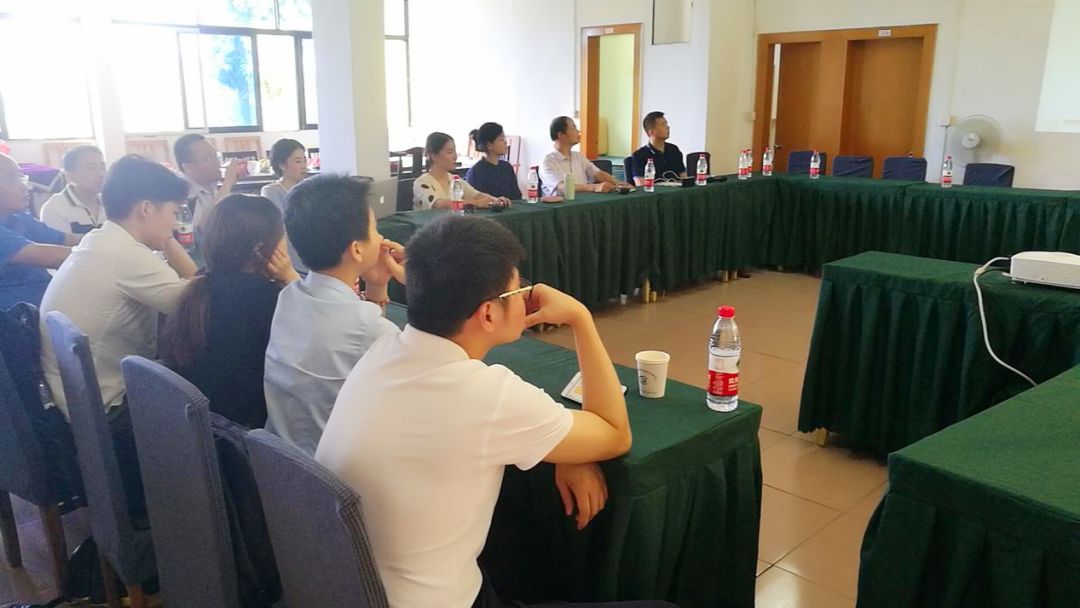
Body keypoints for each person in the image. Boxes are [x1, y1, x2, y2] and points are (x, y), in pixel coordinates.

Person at [316, 216, 675, 608]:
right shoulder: (487, 396)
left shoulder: (383, 349)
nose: (525, 296)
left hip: (350, 587)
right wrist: (580, 319)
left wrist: (560, 448)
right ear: (488, 314)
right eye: (518, 289)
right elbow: (613, 433)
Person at [39, 155, 198, 521]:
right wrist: (170, 242)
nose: (175, 223)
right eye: (174, 212)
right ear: (146, 208)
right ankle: (188, 520)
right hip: (109, 413)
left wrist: (164, 239)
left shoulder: (100, 240)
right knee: (214, 397)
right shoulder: (125, 256)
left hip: (74, 403)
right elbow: (199, 304)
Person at [264, 174, 405, 455]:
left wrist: (377, 284)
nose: (380, 238)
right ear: (356, 249)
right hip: (331, 471)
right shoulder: (369, 328)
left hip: (279, 459)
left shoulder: (289, 297)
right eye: (375, 230)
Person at [161, 194, 300, 429]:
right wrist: (291, 277)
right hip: (246, 433)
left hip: (198, 427)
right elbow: (320, 331)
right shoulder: (268, 299)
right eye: (281, 235)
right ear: (259, 247)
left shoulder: (200, 284)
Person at [0, 153, 78, 310]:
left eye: (21, 177)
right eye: (11, 178)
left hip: (48, 306)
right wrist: (107, 252)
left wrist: (110, 239)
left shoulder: (18, 217)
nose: (25, 186)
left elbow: (67, 239)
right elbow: (53, 257)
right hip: (16, 319)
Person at [413, 132, 508, 210]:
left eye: (455, 152)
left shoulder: (454, 180)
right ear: (434, 156)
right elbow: (438, 204)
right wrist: (475, 203)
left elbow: (476, 195)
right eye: (450, 152)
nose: (455, 156)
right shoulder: (422, 182)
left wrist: (496, 200)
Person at [540, 116, 626, 197]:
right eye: (573, 127)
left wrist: (618, 184)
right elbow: (562, 187)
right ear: (561, 135)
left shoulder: (579, 156)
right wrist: (594, 187)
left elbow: (597, 173)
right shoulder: (548, 161)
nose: (578, 131)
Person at [174, 133, 242, 234]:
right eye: (208, 159)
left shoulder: (211, 187)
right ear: (188, 167)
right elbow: (200, 231)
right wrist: (227, 183)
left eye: (216, 156)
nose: (217, 162)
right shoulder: (182, 194)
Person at [40, 145, 108, 236]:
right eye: (91, 168)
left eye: (103, 167)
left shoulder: (111, 203)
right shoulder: (54, 209)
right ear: (70, 176)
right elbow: (61, 244)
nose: (101, 174)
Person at [464, 123, 522, 201]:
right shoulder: (476, 172)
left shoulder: (507, 167)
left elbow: (517, 197)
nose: (505, 142)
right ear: (489, 145)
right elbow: (480, 201)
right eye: (501, 139)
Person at [631, 112, 687, 186]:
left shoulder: (674, 150)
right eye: (663, 125)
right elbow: (641, 185)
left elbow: (684, 178)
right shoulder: (639, 155)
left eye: (666, 124)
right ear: (652, 132)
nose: (668, 127)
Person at [260, 138, 308, 215]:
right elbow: (278, 219)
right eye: (298, 161)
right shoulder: (271, 191)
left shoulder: (310, 187)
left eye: (305, 161)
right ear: (281, 165)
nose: (304, 166)